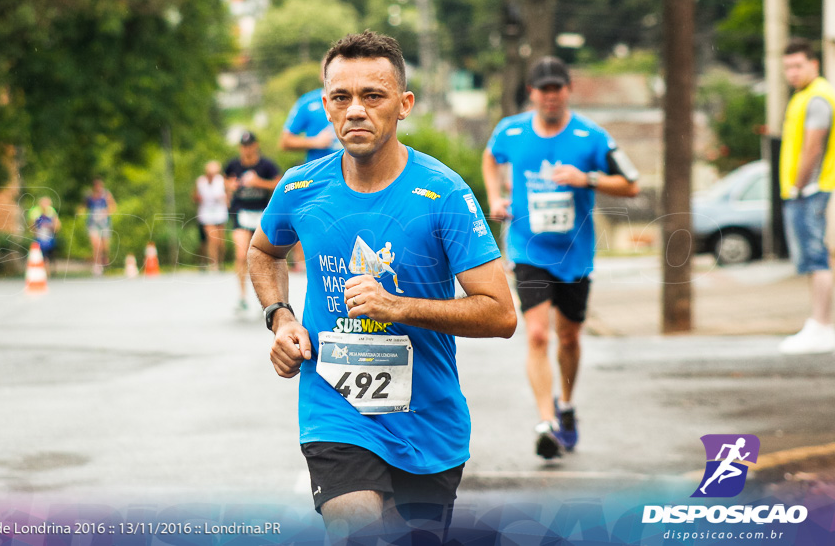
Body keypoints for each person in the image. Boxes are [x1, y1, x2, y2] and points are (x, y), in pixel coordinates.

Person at [249, 31, 517, 543]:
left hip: (427, 425)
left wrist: (398, 306)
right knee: (358, 529)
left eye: (372, 96)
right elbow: (263, 251)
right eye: (340, 97)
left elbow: (500, 314)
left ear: (403, 105)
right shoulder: (300, 187)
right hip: (335, 412)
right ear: (325, 106)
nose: (355, 111)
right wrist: (280, 318)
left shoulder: (442, 193)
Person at [483, 56, 640, 460]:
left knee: (569, 337)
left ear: (568, 90)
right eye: (543, 89)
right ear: (532, 93)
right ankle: (546, 421)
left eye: (557, 88)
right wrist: (496, 195)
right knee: (537, 334)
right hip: (528, 247)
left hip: (574, 254)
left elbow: (631, 185)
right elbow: (491, 157)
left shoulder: (592, 137)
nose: (550, 96)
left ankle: (566, 405)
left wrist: (585, 178)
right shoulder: (511, 130)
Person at [779, 38, 835, 354]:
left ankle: (823, 325)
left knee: (816, 258)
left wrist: (799, 186)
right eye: (787, 67)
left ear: (814, 64)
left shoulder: (817, 98)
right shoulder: (805, 96)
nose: (792, 72)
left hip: (812, 190)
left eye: (798, 65)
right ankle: (818, 324)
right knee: (815, 259)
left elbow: (813, 147)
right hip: (808, 190)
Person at [280, 83, 342, 273]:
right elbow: (285, 141)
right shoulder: (308, 102)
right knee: (310, 221)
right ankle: (306, 265)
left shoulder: (358, 99)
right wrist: (315, 141)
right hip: (319, 179)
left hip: (356, 175)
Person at [225, 132, 280, 316]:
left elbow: (279, 184)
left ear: (256, 145)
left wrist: (258, 183)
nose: (247, 149)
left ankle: (264, 298)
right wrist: (229, 186)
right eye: (244, 146)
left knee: (262, 256)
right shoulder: (233, 165)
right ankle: (242, 297)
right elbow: (225, 181)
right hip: (241, 212)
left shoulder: (266, 165)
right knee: (241, 255)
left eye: (250, 145)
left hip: (261, 214)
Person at [193, 161, 228, 272]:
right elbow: (194, 196)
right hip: (206, 213)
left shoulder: (221, 181)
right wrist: (197, 198)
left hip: (219, 212)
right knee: (213, 239)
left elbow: (228, 193)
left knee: (221, 242)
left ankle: (221, 261)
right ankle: (214, 264)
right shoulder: (200, 182)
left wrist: (227, 199)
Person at [84, 178, 117, 275]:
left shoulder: (106, 195)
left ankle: (104, 258)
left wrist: (106, 212)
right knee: (96, 245)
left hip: (104, 223)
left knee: (104, 245)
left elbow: (113, 207)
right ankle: (97, 265)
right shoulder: (90, 196)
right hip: (93, 223)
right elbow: (84, 207)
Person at [28, 196, 61, 274]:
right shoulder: (35, 211)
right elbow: (31, 225)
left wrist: (53, 227)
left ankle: (51, 269)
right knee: (42, 253)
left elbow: (57, 225)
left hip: (49, 237)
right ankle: (46, 270)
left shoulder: (51, 211)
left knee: (50, 253)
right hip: (40, 237)